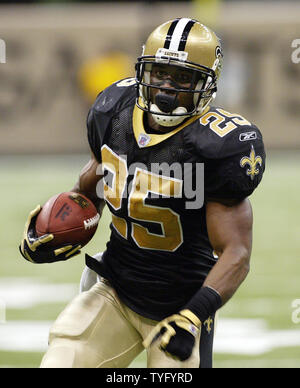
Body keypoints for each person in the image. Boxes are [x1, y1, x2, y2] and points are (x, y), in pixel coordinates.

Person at [20, 18, 266, 368]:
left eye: (182, 78)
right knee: (61, 360)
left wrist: (194, 316)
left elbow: (236, 252)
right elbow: (91, 188)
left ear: (206, 84)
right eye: (159, 73)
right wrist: (56, 227)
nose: (166, 88)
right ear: (142, 71)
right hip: (116, 290)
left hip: (181, 307)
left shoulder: (219, 146)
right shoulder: (113, 112)